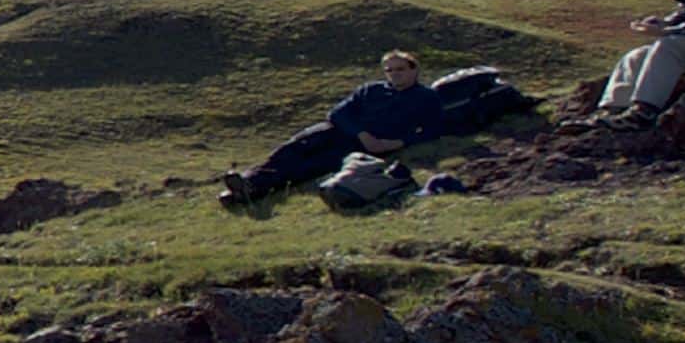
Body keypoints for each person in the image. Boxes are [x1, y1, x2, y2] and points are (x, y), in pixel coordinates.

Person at [218, 51, 529, 206]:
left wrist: (394, 142)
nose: (394, 75)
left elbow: (432, 130)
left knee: (311, 167)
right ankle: (250, 181)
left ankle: (253, 190)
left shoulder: (425, 98)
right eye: (390, 70)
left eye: (400, 70)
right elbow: (339, 111)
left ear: (414, 70)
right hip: (343, 130)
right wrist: (362, 133)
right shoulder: (371, 90)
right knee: (293, 148)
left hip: (365, 144)